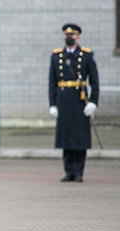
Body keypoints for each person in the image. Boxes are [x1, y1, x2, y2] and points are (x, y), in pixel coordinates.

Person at [49, 23, 99, 183]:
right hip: (63, 100)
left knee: (79, 137)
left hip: (80, 100)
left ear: (78, 37)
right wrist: (52, 104)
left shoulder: (86, 55)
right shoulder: (56, 56)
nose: (69, 38)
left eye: (72, 35)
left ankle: (79, 171)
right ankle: (68, 170)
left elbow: (95, 81)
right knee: (66, 137)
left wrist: (93, 102)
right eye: (67, 35)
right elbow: (52, 82)